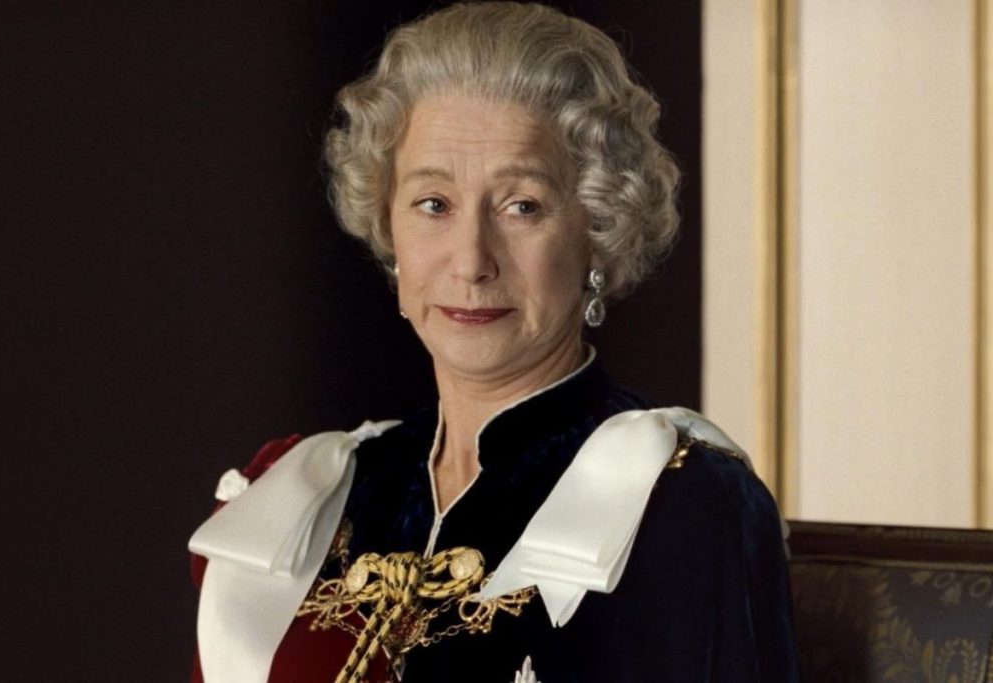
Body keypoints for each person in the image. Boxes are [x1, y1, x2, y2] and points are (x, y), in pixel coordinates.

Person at [189, 3, 800, 682]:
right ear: (389, 231)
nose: (472, 260)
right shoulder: (298, 497)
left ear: (598, 227)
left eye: (521, 206)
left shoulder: (680, 503)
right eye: (433, 204)